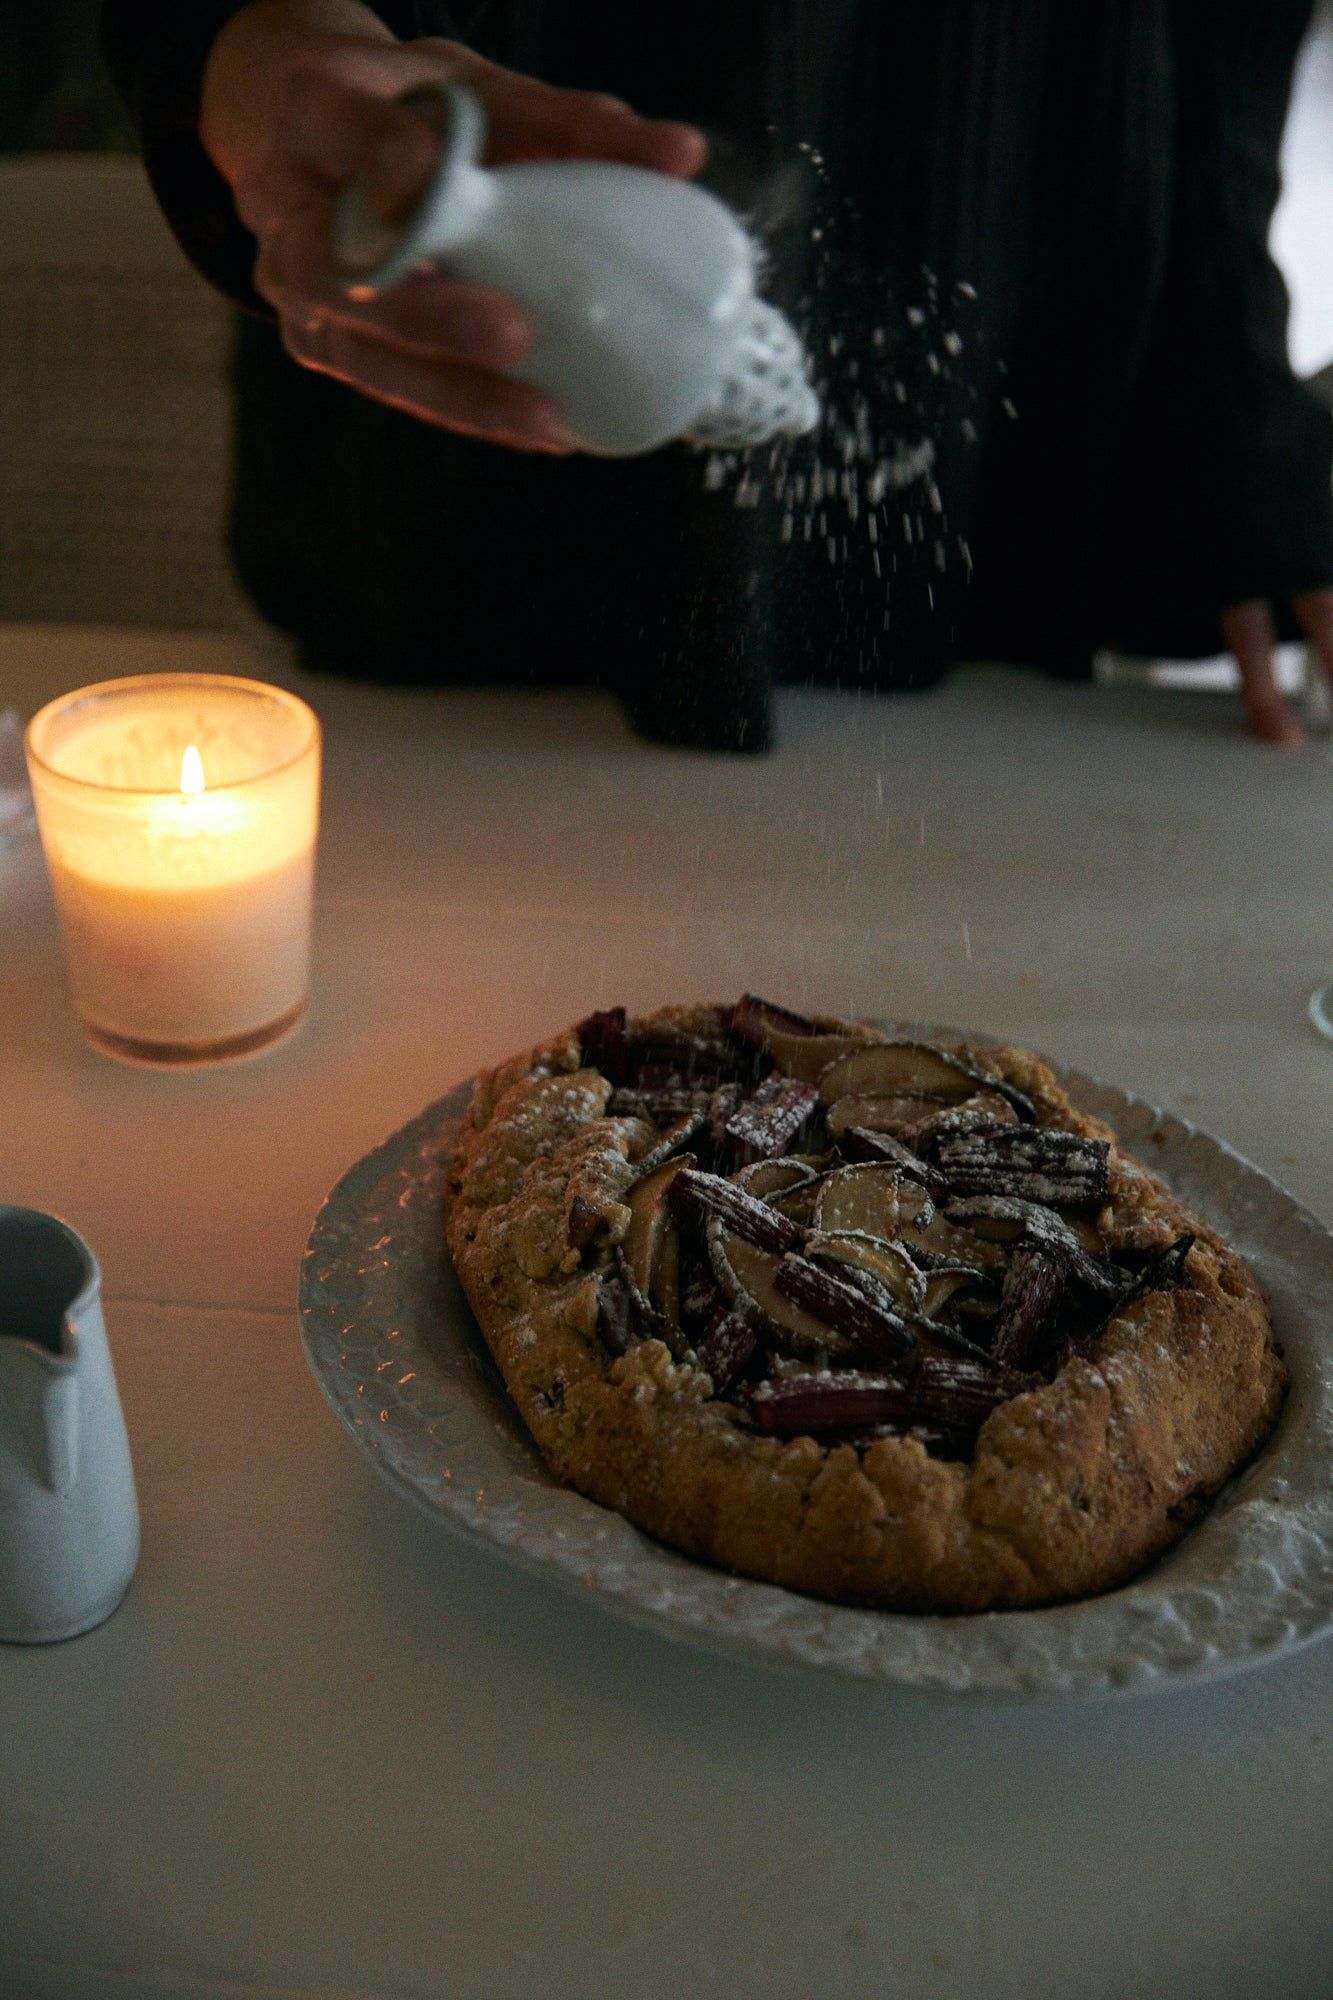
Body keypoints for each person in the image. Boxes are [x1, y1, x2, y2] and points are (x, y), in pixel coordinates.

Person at [102, 0, 1333, 750]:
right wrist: (258, 33)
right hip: (440, 515)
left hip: (1015, 361)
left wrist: (1237, 406)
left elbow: (1227, 47)